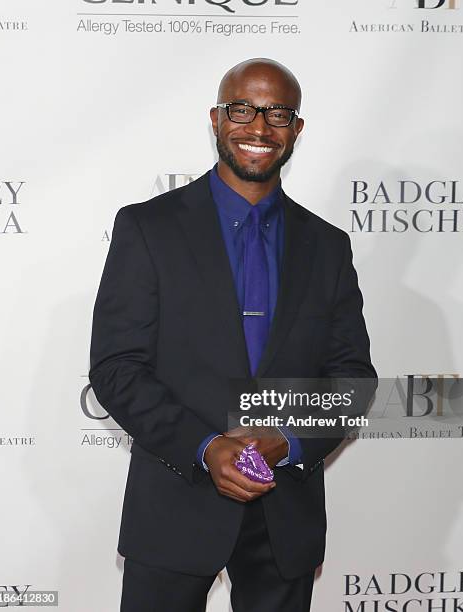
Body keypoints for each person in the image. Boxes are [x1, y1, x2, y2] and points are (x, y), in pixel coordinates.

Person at [89, 57, 377, 612]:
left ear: (296, 128)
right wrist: (206, 447)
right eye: (243, 109)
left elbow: (354, 382)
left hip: (284, 516)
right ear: (218, 119)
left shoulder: (327, 245)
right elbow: (117, 367)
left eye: (277, 114)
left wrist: (287, 443)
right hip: (175, 503)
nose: (259, 128)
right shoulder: (148, 227)